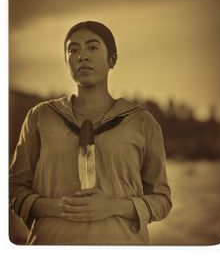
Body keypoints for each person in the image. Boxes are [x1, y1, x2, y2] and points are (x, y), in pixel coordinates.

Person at [9, 21, 172, 245]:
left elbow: (162, 200)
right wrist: (60, 207)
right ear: (66, 61)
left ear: (112, 59)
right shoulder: (41, 116)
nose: (82, 56)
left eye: (92, 47)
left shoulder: (141, 121)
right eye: (72, 49)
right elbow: (14, 188)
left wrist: (113, 206)